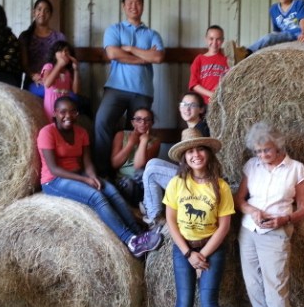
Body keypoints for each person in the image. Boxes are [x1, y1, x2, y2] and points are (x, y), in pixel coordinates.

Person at [37, 96, 162, 258]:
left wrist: (92, 176)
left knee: (110, 190)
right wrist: (85, 180)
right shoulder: (47, 132)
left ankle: (139, 233)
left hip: (78, 174)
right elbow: (54, 169)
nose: (67, 116)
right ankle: (131, 241)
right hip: (54, 180)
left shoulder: (81, 132)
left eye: (72, 111)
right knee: (96, 197)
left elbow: (87, 162)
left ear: (77, 114)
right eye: (63, 112)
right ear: (55, 113)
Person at [234, 122, 304, 307]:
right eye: (257, 151)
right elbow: (240, 200)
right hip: (249, 231)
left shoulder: (296, 169)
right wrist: (252, 211)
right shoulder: (252, 166)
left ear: (278, 146)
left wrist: (283, 219)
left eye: (266, 150)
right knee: (255, 288)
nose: (262, 155)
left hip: (276, 233)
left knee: (276, 292)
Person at [163, 128, 234, 307]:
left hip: (211, 247)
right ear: (184, 156)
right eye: (190, 151)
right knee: (183, 305)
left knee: (209, 304)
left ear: (208, 153)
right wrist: (188, 254)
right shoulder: (177, 183)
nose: (195, 155)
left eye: (200, 149)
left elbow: (224, 226)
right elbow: (170, 220)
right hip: (184, 248)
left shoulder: (220, 186)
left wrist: (203, 254)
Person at [94, 0, 165, 177]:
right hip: (116, 87)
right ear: (123, 6)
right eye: (130, 3)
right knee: (102, 122)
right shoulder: (114, 29)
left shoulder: (152, 34)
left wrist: (130, 49)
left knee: (138, 131)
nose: (134, 6)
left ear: (143, 6)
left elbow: (157, 57)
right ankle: (103, 173)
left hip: (143, 91)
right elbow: (113, 54)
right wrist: (144, 57)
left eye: (138, 2)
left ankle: (131, 175)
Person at [141, 92, 210, 227]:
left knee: (151, 172)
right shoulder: (190, 130)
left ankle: (155, 218)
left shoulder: (201, 130)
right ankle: (149, 205)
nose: (187, 108)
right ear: (179, 108)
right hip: (188, 175)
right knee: (152, 163)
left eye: (192, 105)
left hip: (197, 181)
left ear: (201, 109)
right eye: (184, 104)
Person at [111, 107, 161, 206]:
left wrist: (143, 141)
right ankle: (139, 208)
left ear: (151, 123)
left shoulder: (155, 141)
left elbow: (139, 165)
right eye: (138, 119)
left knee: (143, 175)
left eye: (147, 120)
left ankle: (146, 207)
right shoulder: (121, 135)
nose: (143, 123)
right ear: (133, 122)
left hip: (143, 180)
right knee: (129, 184)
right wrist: (130, 144)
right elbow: (114, 164)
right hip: (124, 180)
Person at [19, 0, 67, 96]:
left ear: (50, 14)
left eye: (46, 10)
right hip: (33, 82)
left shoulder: (59, 37)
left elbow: (63, 63)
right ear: (34, 12)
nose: (42, 13)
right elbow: (23, 64)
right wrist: (33, 76)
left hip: (54, 80)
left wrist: (50, 77)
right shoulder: (25, 36)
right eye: (39, 9)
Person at [188, 25, 230, 104]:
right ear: (206, 39)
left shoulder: (227, 60)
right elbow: (193, 84)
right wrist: (211, 94)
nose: (214, 42)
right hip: (202, 103)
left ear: (223, 40)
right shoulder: (199, 59)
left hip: (220, 102)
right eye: (211, 38)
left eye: (218, 39)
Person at [40, 41, 80, 120]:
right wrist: (59, 65)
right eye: (60, 51)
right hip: (52, 104)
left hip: (66, 105)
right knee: (53, 124)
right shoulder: (48, 66)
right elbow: (47, 84)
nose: (64, 53)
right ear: (54, 54)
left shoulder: (68, 71)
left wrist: (76, 70)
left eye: (66, 51)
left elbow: (76, 91)